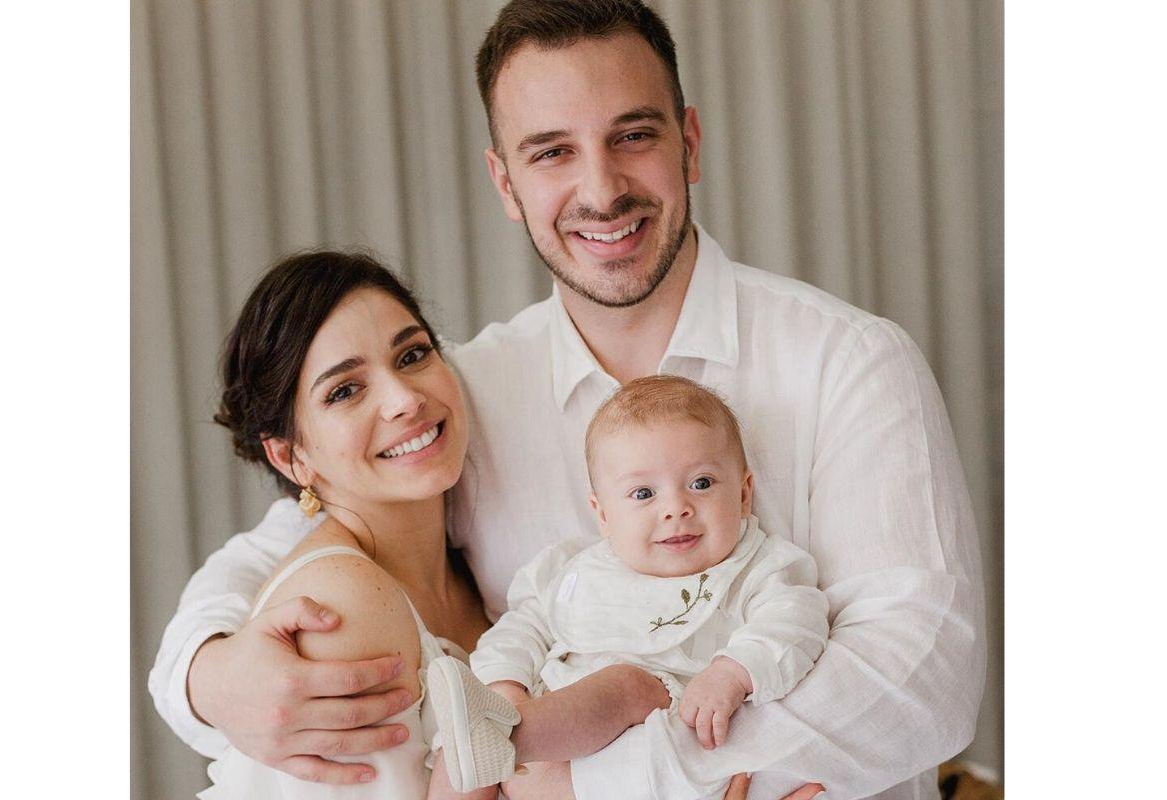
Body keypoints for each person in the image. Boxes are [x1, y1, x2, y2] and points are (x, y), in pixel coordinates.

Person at [150, 2, 985, 798]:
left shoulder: (848, 362)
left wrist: (608, 787)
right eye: (551, 152)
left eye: (633, 135)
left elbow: (923, 680)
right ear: (505, 183)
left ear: (690, 143)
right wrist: (204, 673)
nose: (602, 188)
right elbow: (315, 530)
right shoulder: (465, 397)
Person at [189, 250, 673, 799]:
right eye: (344, 390)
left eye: (413, 355)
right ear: (290, 457)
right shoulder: (341, 607)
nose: (404, 399)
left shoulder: (467, 561)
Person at [425, 376, 830, 799]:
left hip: (632, 752)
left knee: (628, 686)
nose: (676, 508)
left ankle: (505, 739)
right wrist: (504, 686)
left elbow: (795, 624)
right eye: (643, 493)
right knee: (455, 755)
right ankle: (493, 734)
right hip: (542, 736)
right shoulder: (573, 570)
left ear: (745, 494)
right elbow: (520, 629)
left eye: (702, 483)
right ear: (602, 514)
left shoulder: (758, 568)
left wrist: (732, 672)